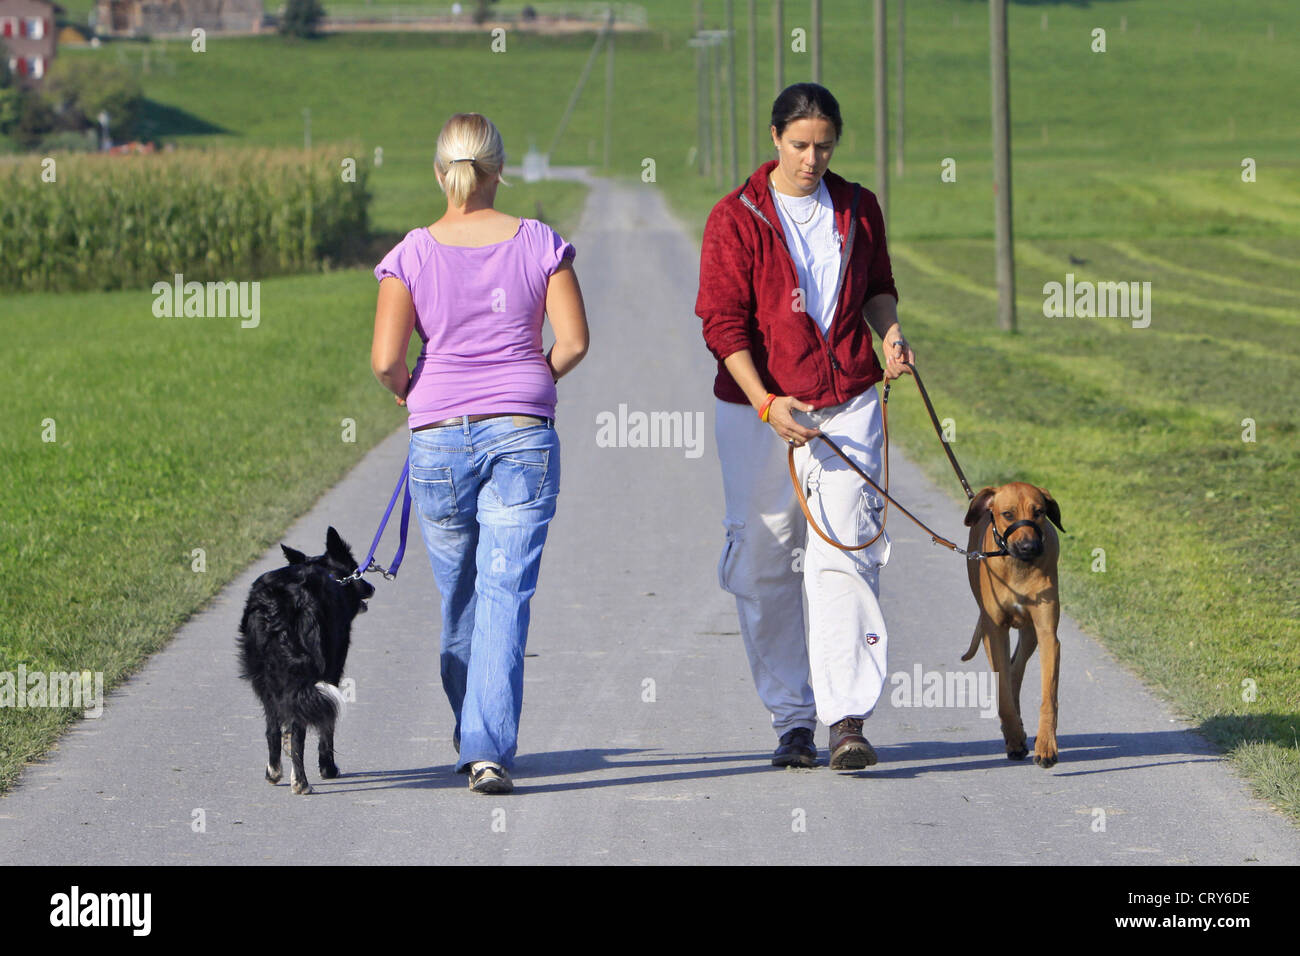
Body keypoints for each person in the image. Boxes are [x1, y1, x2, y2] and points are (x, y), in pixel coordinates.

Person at [695, 83, 915, 771]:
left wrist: (891, 337)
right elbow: (721, 323)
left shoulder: (857, 207)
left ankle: (846, 717)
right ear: (774, 139)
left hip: (847, 400)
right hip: (757, 411)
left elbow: (878, 285)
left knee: (844, 552)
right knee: (766, 561)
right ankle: (792, 719)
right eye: (799, 145)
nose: (811, 159)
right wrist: (766, 402)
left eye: (824, 146)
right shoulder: (735, 218)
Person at [370, 112, 589, 794]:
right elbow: (575, 340)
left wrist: (415, 395)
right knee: (504, 593)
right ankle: (484, 745)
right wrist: (530, 383)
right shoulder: (539, 243)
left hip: (437, 440)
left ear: (440, 173)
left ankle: (473, 732)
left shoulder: (410, 253)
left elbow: (384, 361)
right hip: (522, 432)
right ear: (500, 171)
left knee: (460, 595)